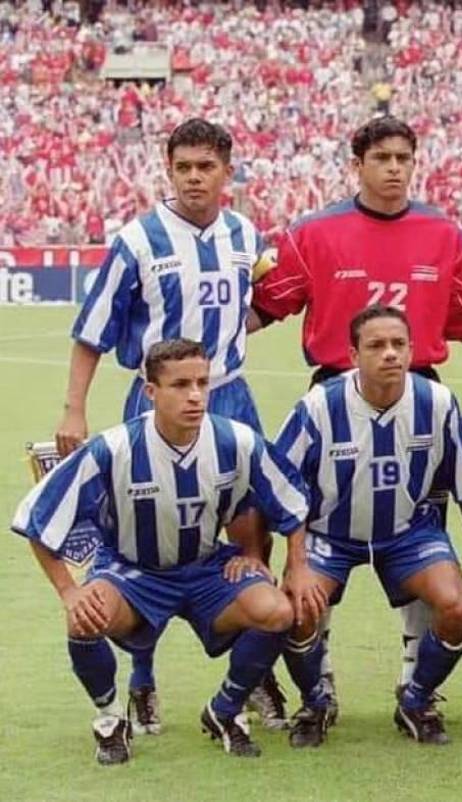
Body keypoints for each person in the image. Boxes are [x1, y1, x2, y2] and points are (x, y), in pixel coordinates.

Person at [251, 116, 462, 721]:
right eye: (382, 157)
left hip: (420, 394)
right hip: (335, 397)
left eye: (405, 156)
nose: (395, 167)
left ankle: (416, 684)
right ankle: (316, 684)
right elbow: (261, 309)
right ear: (358, 165)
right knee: (326, 522)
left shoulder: (444, 233)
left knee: (418, 523)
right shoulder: (314, 232)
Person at [54, 118, 275, 734]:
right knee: (142, 539)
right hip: (153, 403)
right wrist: (75, 406)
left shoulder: (244, 234)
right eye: (185, 168)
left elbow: (253, 303)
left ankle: (254, 674)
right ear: (169, 171)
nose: (196, 177)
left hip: (231, 396)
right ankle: (142, 680)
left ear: (227, 172)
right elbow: (91, 330)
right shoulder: (138, 240)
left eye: (207, 166)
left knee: (250, 534)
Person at [12, 339, 312, 764]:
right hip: (132, 572)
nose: (195, 395)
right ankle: (111, 718)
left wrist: (292, 564)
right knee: (83, 620)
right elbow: (38, 519)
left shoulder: (236, 440)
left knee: (278, 611)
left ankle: (223, 711)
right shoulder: (113, 449)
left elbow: (292, 503)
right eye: (180, 385)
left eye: (202, 383)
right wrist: (69, 592)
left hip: (208, 570)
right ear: (150, 392)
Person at [273, 305, 462, 746]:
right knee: (296, 610)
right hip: (330, 534)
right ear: (353, 354)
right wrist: (293, 563)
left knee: (455, 607)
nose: (390, 354)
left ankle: (416, 699)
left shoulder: (436, 401)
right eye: (376, 345)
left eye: (398, 344)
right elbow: (279, 485)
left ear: (413, 350)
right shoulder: (321, 405)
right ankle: (316, 700)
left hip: (408, 532)